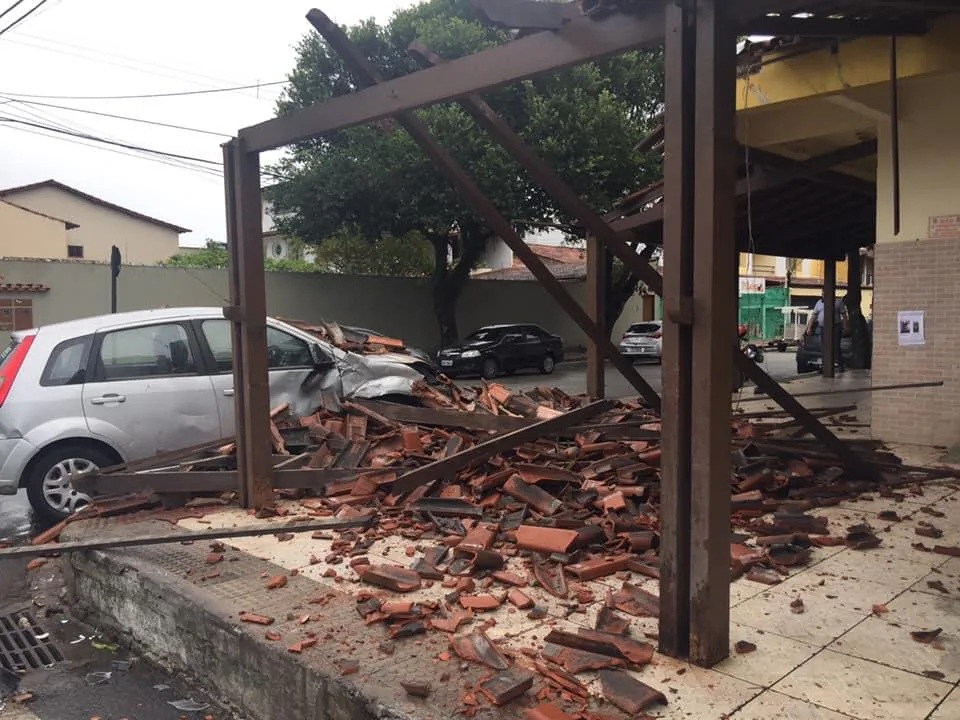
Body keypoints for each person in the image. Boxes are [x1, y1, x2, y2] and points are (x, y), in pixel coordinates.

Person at [806, 295, 847, 372]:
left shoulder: (838, 302)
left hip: (835, 327)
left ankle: (840, 365)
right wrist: (809, 327)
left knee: (836, 346)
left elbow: (844, 315)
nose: (824, 294)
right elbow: (813, 316)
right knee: (824, 347)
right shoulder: (819, 303)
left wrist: (845, 327)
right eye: (823, 292)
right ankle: (825, 366)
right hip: (823, 328)